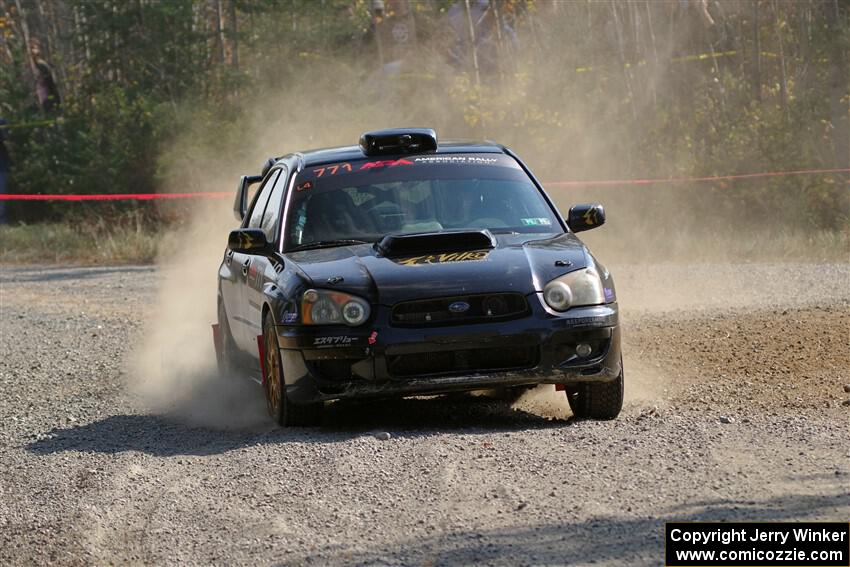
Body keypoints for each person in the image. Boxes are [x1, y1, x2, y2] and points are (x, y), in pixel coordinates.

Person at [0, 118, 9, 224]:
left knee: (1, 197)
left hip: (1, 168)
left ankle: (2, 223)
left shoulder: (2, 122)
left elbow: (5, 136)